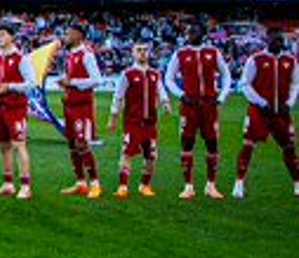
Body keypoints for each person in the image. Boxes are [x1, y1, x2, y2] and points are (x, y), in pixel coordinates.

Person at [165, 24, 229, 200]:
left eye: (195, 31)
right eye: (190, 32)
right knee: (187, 143)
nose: (191, 34)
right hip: (189, 106)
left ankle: (211, 185)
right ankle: (188, 186)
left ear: (203, 34)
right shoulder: (180, 54)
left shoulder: (213, 53)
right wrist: (181, 95)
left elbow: (226, 75)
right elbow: (168, 78)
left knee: (212, 143)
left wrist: (221, 97)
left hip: (209, 106)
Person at [232, 31, 299, 200]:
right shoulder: (256, 59)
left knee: (289, 147)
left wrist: (289, 103)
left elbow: (295, 83)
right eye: (275, 40)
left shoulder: (290, 61)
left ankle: (297, 183)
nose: (279, 43)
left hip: (282, 112)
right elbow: (245, 84)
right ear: (268, 40)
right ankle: (239, 184)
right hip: (259, 112)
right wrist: (261, 102)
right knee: (248, 145)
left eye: (280, 40)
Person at [110, 43, 168, 199]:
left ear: (149, 53)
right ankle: (123, 186)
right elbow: (118, 96)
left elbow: (161, 91)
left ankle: (145, 186)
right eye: (139, 50)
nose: (142, 53)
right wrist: (114, 116)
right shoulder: (127, 74)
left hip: (150, 123)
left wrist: (165, 102)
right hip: (133, 122)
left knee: (151, 155)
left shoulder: (155, 74)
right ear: (133, 54)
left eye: (145, 50)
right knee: (127, 153)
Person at [0, 25, 36, 201]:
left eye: (2, 34)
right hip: (0, 108)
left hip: (16, 108)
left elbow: (32, 83)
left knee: (19, 144)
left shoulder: (21, 59)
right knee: (4, 145)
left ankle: (26, 186)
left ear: (12, 37)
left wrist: (11, 86)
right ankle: (8, 183)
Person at [59, 24, 104, 199]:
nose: (66, 36)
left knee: (82, 143)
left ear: (78, 36)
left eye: (69, 34)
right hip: (70, 105)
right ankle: (81, 182)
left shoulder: (87, 55)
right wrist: (66, 85)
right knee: (72, 144)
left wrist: (72, 83)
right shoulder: (71, 55)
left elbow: (96, 80)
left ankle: (95, 184)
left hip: (82, 107)